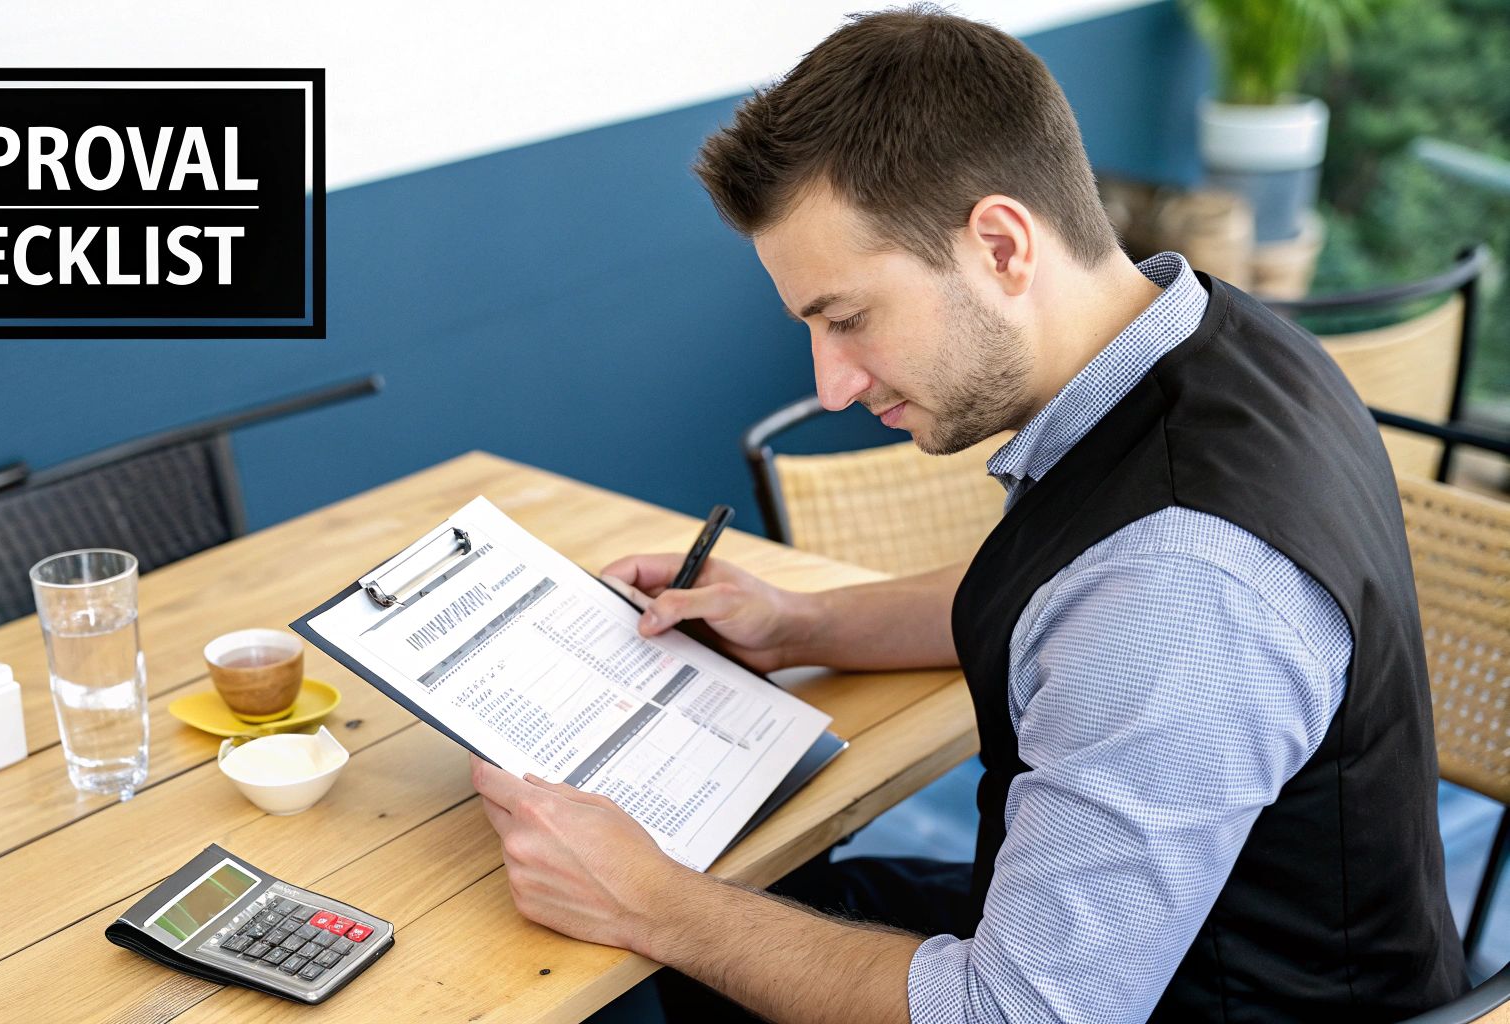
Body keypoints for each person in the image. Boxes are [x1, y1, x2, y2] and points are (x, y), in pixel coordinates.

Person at [468, 6, 1468, 1022]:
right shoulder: (1202, 335)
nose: (830, 383)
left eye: (846, 318)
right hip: (1189, 952)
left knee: (681, 943)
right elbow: (1077, 592)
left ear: (999, 244)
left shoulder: (1181, 579)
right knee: (762, 917)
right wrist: (804, 623)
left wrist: (648, 904)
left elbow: (1011, 1014)